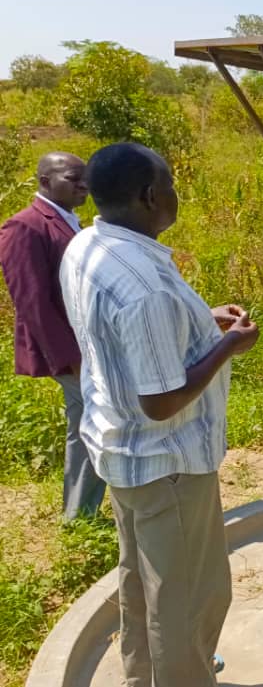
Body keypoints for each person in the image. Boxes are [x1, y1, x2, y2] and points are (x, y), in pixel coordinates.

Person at [59, 142, 260, 686]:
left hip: (123, 455)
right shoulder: (145, 288)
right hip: (166, 465)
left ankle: (141, 679)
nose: (176, 192)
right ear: (151, 196)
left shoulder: (88, 245)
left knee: (144, 584)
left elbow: (125, 338)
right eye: (169, 182)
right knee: (190, 598)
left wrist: (200, 319)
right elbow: (161, 400)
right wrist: (228, 347)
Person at [0, 151, 106, 521]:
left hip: (88, 347)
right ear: (44, 181)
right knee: (97, 423)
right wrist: (70, 359)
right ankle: (80, 517)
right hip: (72, 353)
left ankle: (81, 515)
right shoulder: (24, 226)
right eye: (72, 178)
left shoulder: (73, 221)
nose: (83, 185)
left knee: (87, 425)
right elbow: (31, 302)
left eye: (86, 178)